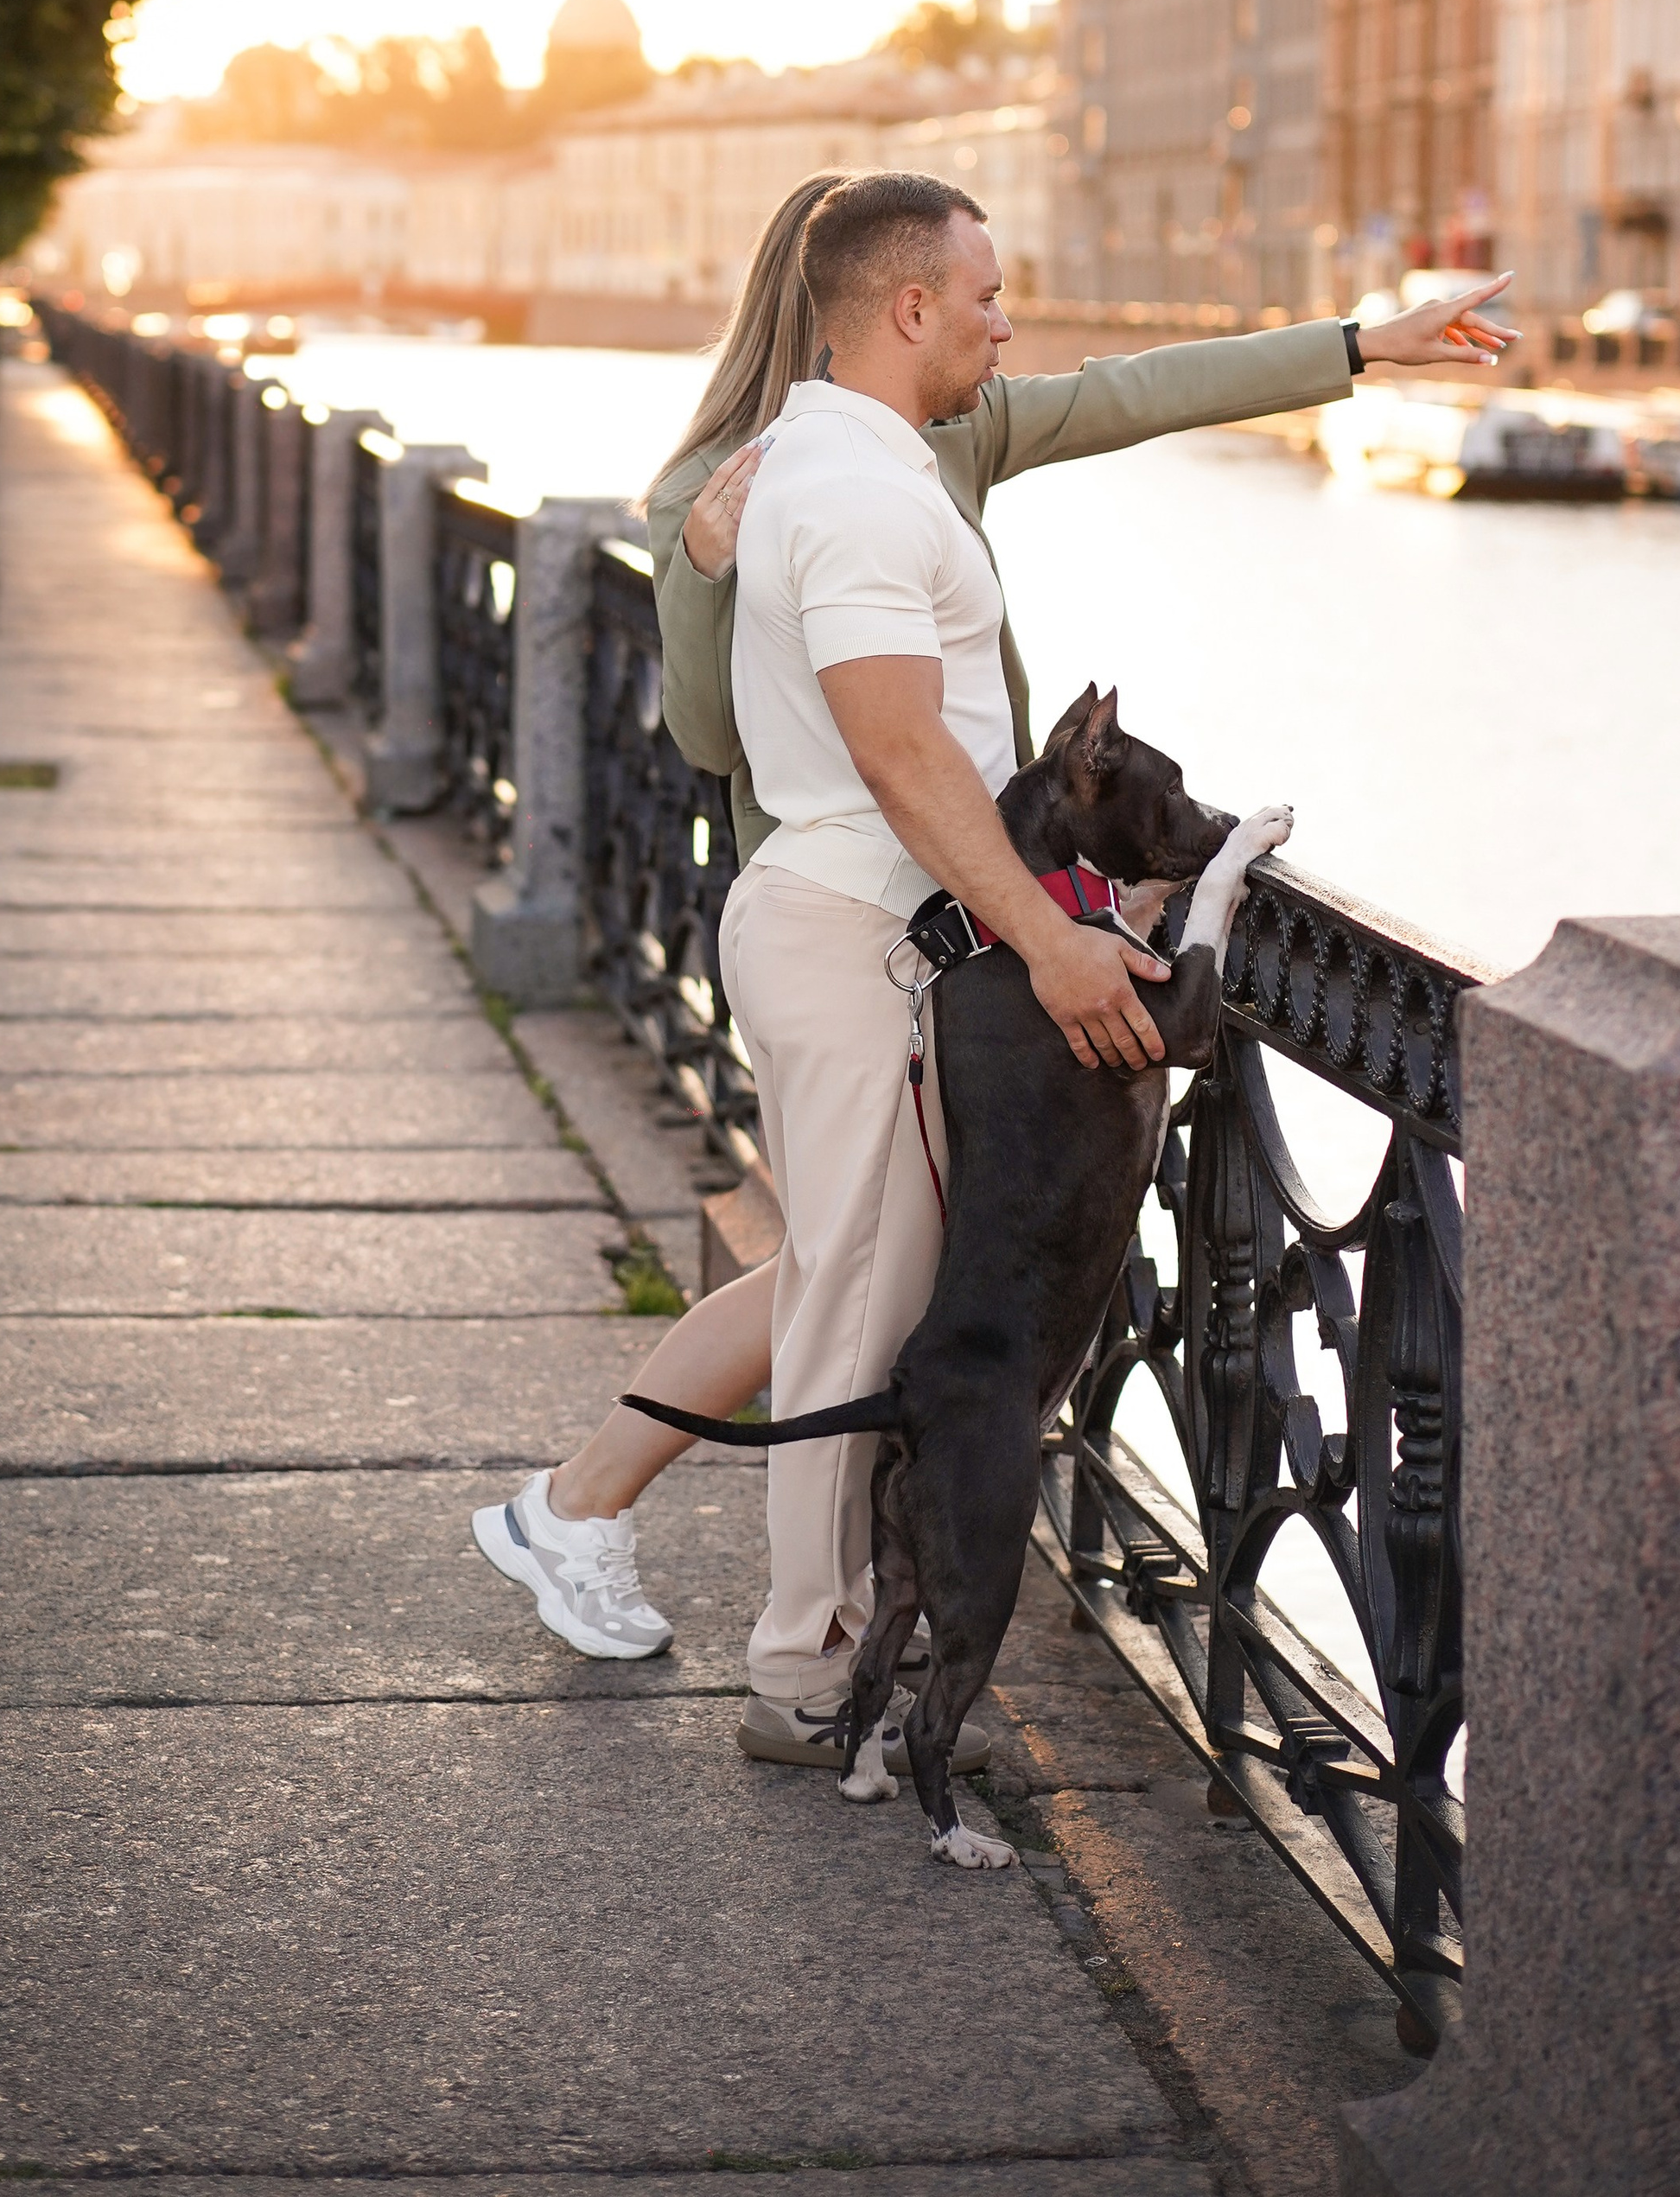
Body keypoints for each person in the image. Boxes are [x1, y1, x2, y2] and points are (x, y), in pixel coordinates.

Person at [474, 174, 1515, 1704]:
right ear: (885, 301)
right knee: (845, 1283)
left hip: (945, 914)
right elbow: (724, 738)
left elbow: (1136, 392)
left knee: (854, 1276)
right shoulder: (740, 481)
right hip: (858, 900)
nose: (1004, 325)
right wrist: (698, 563)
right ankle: (728, 1607)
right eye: (978, 294)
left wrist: (1363, 344)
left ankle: (628, 1534)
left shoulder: (929, 435)